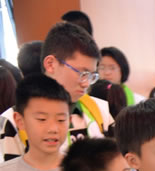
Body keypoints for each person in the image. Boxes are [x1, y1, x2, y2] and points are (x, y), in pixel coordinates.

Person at [0, 22, 114, 162]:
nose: (85, 83)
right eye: (82, 73)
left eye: (91, 76)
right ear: (50, 64)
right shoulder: (13, 120)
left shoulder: (100, 110)